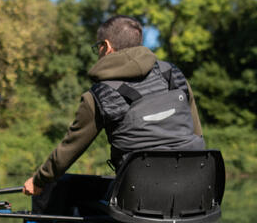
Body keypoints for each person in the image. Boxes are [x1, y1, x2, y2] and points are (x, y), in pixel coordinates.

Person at [22, 15, 205, 198]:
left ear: (107, 47)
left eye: (97, 48)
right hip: (194, 198)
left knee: (74, 193)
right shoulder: (174, 75)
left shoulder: (99, 95)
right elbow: (197, 134)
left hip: (138, 206)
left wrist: (39, 180)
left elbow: (70, 149)